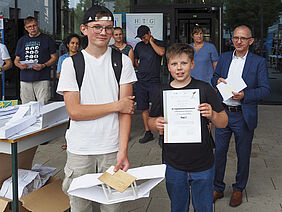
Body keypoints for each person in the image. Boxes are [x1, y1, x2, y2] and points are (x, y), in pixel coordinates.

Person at [57, 5, 137, 212]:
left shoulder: (123, 62)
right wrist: (116, 105)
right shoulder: (71, 64)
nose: (103, 32)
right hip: (80, 150)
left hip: (112, 150)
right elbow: (75, 111)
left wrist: (123, 150)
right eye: (97, 27)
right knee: (80, 206)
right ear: (84, 29)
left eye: (108, 28)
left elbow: (126, 111)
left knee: (112, 206)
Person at [148, 43, 228, 212]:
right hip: (173, 162)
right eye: (174, 64)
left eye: (184, 63)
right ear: (168, 66)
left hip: (203, 162)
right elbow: (150, 120)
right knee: (178, 207)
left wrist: (213, 115)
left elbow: (224, 121)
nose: (179, 68)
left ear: (192, 64)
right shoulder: (161, 92)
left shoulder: (204, 89)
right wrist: (154, 124)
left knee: (204, 207)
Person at [211, 25, 271, 207]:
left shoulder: (258, 62)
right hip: (223, 112)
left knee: (243, 154)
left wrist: (245, 95)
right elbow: (214, 77)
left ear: (250, 41)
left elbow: (265, 90)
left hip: (243, 115)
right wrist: (217, 81)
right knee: (219, 152)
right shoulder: (223, 58)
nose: (238, 41)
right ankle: (217, 187)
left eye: (243, 38)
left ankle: (238, 188)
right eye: (236, 37)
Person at [14, 16, 57, 105]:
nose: (32, 28)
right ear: (26, 28)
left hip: (42, 78)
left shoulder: (47, 39)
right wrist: (19, 65)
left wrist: (44, 65)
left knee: (43, 106)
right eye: (29, 26)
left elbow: (54, 57)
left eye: (34, 25)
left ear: (38, 25)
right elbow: (16, 60)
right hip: (25, 79)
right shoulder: (22, 41)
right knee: (27, 107)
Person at [134, 25, 165, 144]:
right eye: (140, 38)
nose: (143, 39)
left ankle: (161, 134)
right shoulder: (139, 46)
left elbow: (161, 52)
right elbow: (135, 60)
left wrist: (151, 42)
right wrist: (141, 68)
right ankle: (148, 132)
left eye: (144, 36)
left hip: (154, 81)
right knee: (143, 107)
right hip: (141, 81)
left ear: (149, 33)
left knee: (158, 107)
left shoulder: (158, 43)